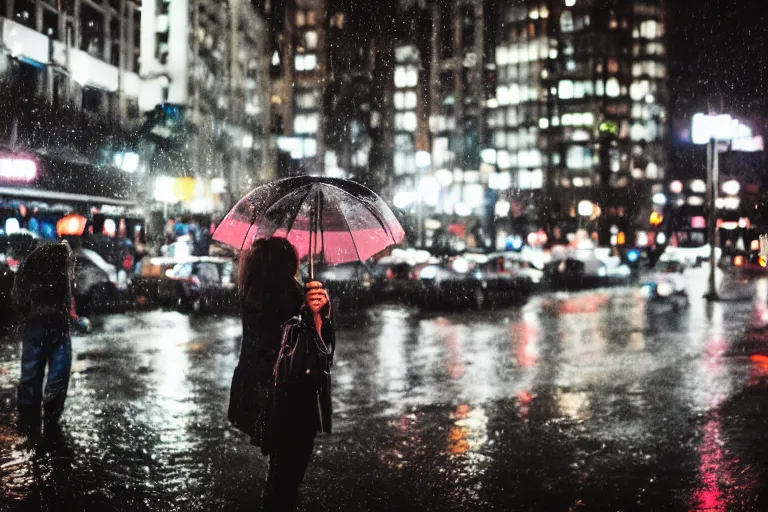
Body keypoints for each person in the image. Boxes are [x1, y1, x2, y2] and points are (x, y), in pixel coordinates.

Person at [228, 238, 334, 511]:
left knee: (280, 467)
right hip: (291, 393)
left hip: (262, 389)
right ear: (287, 264)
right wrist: (319, 311)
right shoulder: (289, 295)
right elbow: (320, 346)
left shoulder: (252, 290)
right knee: (290, 469)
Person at [13, 241, 76, 444]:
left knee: (32, 375)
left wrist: (26, 312)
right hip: (56, 325)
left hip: (37, 324)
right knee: (58, 374)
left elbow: (18, 299)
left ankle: (29, 426)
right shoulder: (59, 266)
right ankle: (50, 423)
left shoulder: (34, 265)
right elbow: (66, 302)